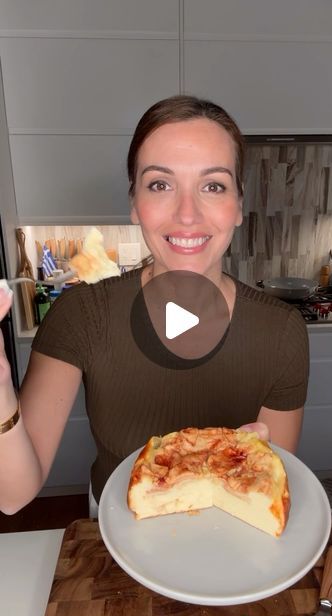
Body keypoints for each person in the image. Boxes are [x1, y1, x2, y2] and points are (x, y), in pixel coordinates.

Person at [0, 95, 309, 516]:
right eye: (161, 184)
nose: (187, 214)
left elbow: (274, 485)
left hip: (231, 530)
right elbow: (13, 496)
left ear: (238, 204)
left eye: (213, 185)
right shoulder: (81, 316)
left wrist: (246, 462)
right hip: (113, 531)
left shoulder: (281, 332)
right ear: (134, 203)